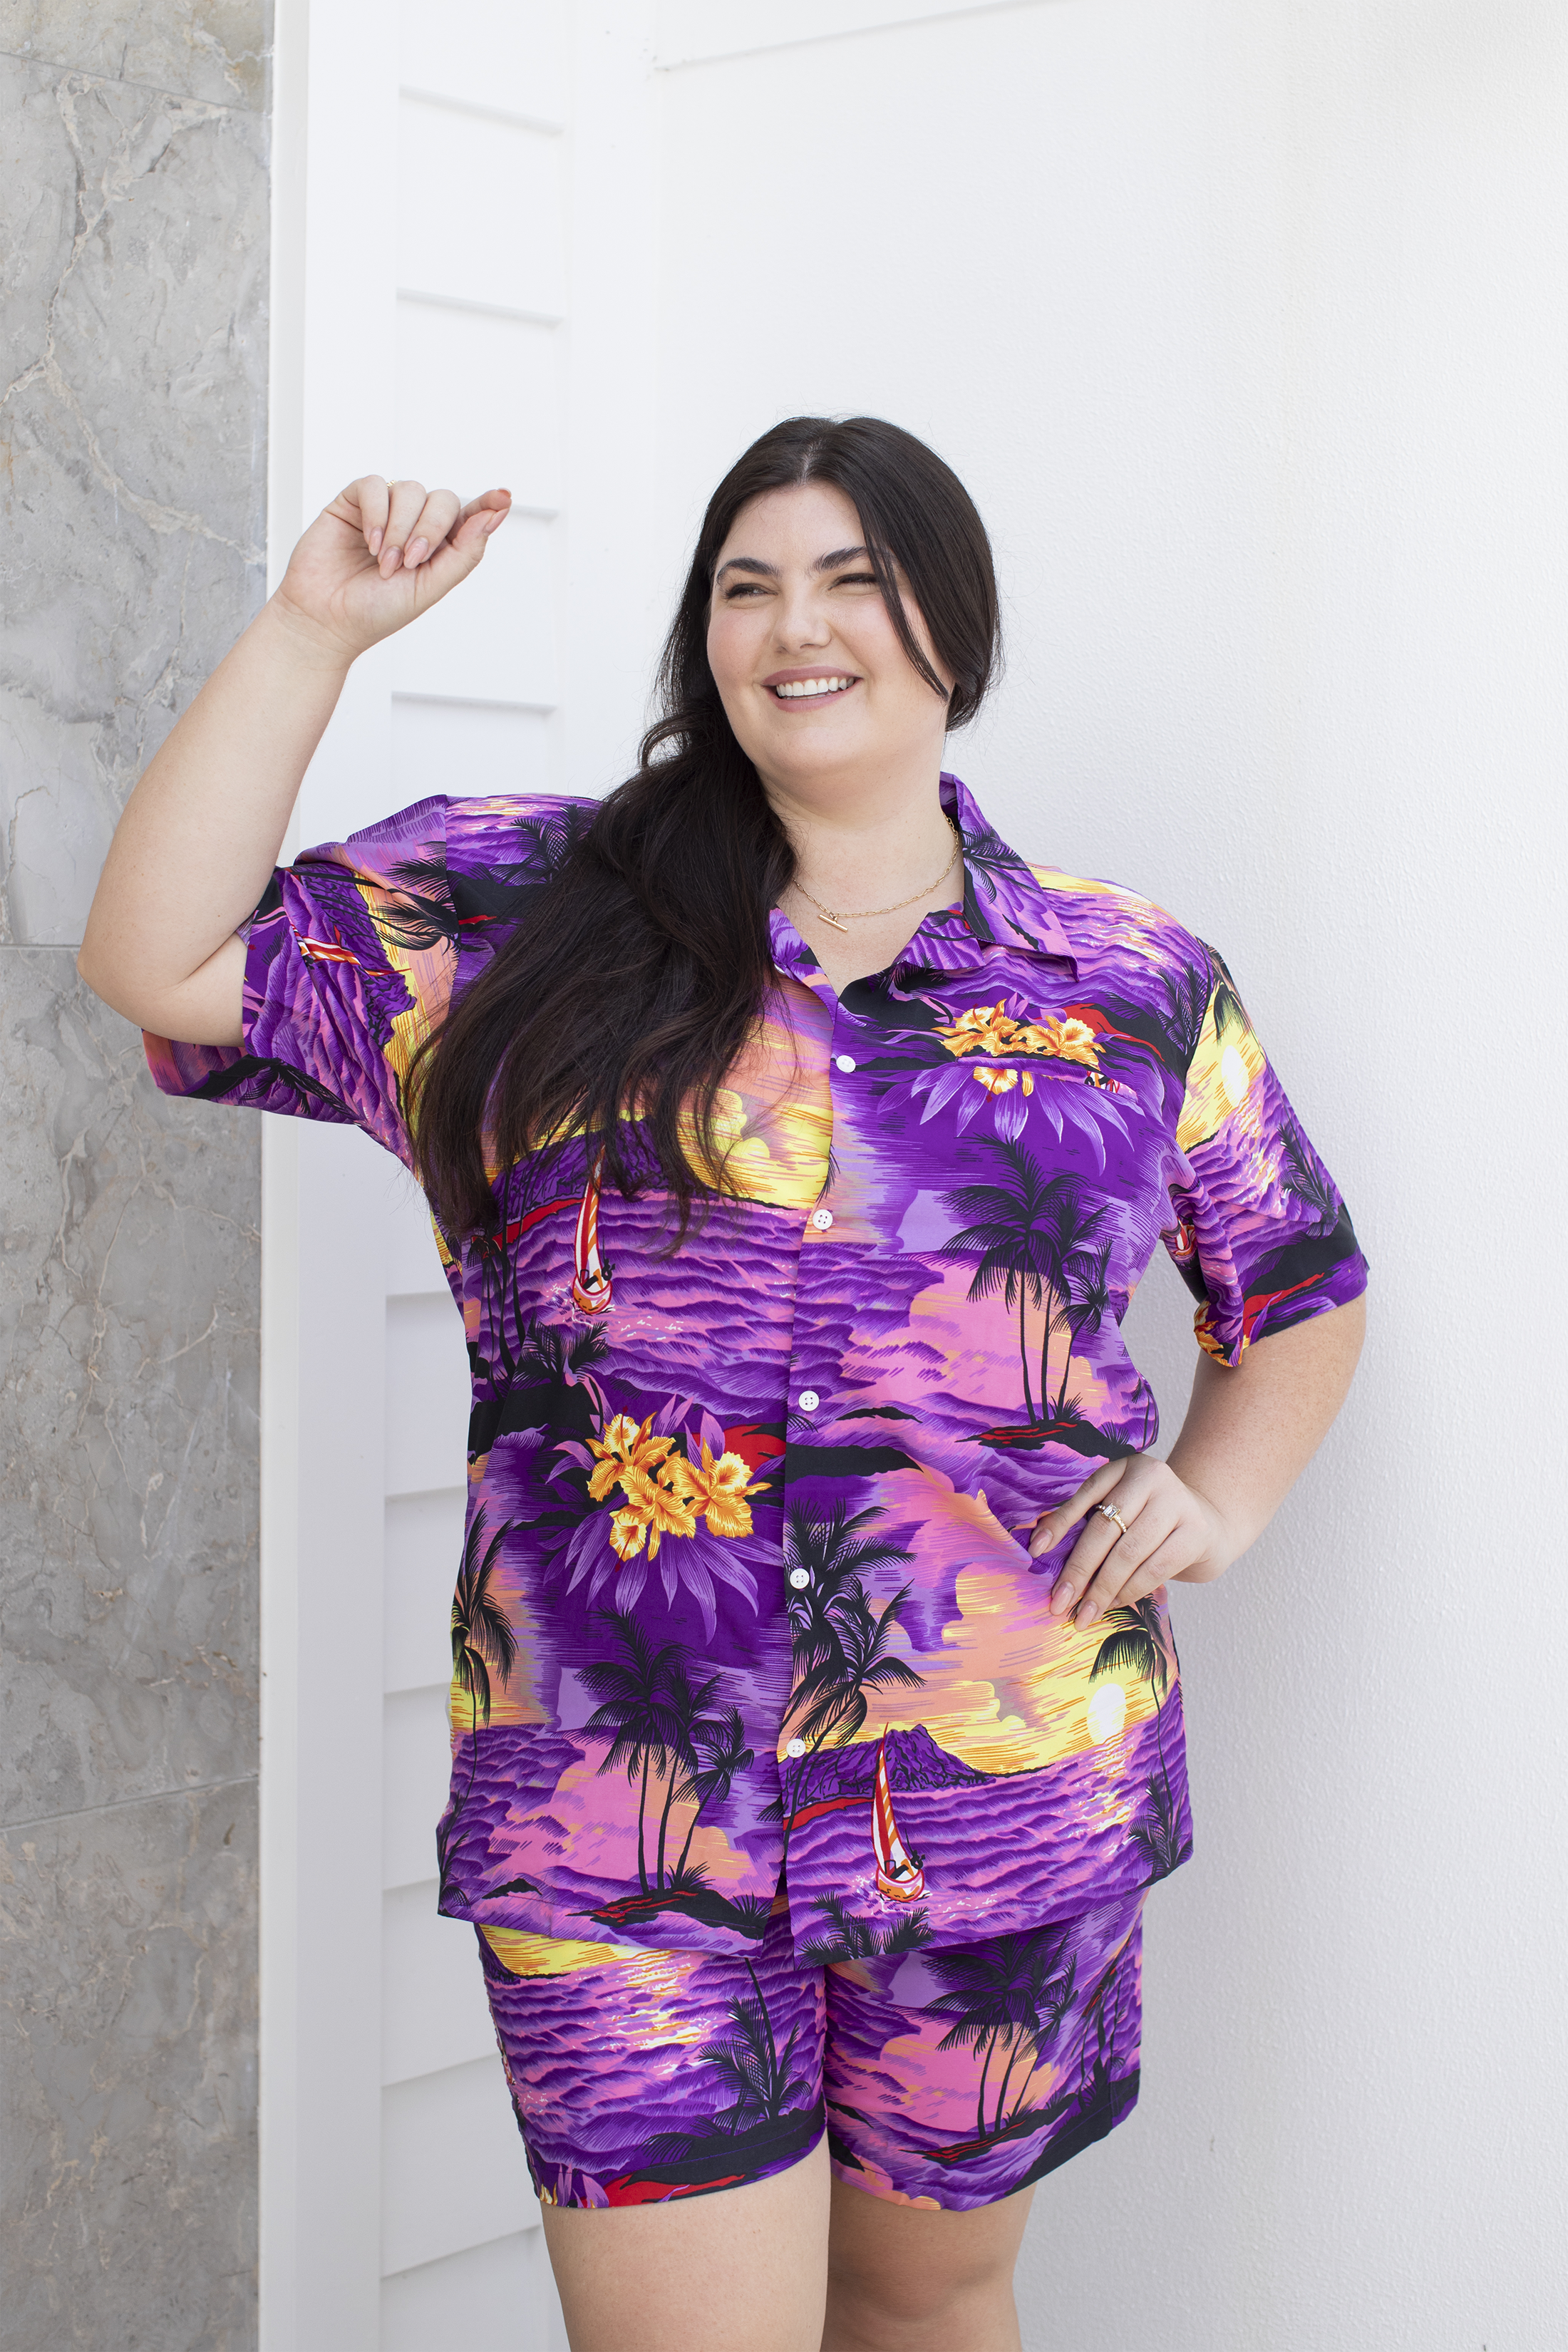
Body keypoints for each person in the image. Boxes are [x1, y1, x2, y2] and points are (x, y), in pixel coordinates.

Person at [79, 416, 1367, 2352]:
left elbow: (1300, 1280)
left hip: (1002, 1784)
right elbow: (160, 957)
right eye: (748, 582)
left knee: (929, 2305)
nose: (796, 622)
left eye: (854, 573)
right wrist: (310, 631)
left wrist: (1223, 1491)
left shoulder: (1131, 979)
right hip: (622, 1808)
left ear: (957, 620)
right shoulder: (532, 906)